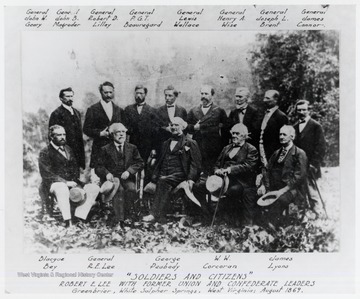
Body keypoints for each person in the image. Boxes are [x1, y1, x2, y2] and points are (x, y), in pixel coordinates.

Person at [192, 123, 259, 226]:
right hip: (221, 179)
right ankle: (207, 217)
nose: (234, 136)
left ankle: (227, 219)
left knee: (232, 191)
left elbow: (248, 166)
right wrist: (217, 170)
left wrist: (230, 169)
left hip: (240, 181)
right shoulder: (226, 148)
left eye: (237, 134)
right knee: (198, 187)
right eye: (233, 133)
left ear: (244, 136)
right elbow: (217, 164)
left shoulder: (251, 149)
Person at [142, 117, 202, 223]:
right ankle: (162, 216)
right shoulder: (166, 143)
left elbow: (195, 164)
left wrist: (191, 179)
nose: (173, 127)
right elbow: (160, 162)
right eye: (172, 125)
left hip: (180, 174)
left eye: (176, 125)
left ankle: (154, 214)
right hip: (165, 174)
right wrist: (154, 177)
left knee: (163, 180)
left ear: (183, 127)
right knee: (161, 180)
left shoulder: (190, 142)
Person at [38, 125, 100, 227]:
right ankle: (68, 221)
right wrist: (65, 182)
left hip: (71, 181)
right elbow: (47, 174)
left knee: (94, 188)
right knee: (62, 188)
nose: (63, 137)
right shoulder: (45, 152)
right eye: (59, 135)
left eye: (64, 134)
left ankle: (80, 217)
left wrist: (77, 183)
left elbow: (74, 169)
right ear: (51, 137)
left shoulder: (68, 149)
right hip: (52, 184)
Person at [95, 123, 144, 229]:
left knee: (131, 189)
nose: (121, 134)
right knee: (119, 190)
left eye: (123, 132)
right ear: (112, 134)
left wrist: (129, 171)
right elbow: (98, 167)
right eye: (118, 132)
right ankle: (119, 220)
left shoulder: (132, 148)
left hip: (127, 178)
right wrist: (107, 173)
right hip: (113, 179)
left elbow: (139, 163)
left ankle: (129, 216)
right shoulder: (105, 149)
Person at [257, 125, 308, 227]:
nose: (281, 137)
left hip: (292, 190)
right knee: (256, 196)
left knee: (280, 200)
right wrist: (263, 185)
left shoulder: (299, 154)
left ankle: (275, 228)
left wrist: (282, 191)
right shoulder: (276, 153)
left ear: (292, 137)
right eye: (280, 134)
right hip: (274, 188)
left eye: (284, 134)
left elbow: (299, 177)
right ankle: (262, 225)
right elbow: (267, 170)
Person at [293, 100, 326, 218]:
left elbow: (321, 147)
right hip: (298, 165)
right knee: (300, 190)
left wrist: (314, 164)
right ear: (296, 111)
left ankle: (319, 213)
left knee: (311, 190)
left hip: (310, 164)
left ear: (308, 110)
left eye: (304, 109)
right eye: (299, 110)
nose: (302, 112)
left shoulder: (316, 126)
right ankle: (303, 214)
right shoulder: (295, 127)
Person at [187, 85, 229, 175]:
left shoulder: (219, 111)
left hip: (214, 149)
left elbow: (226, 132)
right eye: (202, 93)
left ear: (212, 95)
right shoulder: (193, 111)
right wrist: (194, 128)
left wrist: (223, 150)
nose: (203, 96)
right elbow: (186, 127)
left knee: (212, 175)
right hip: (197, 147)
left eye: (206, 93)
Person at [83, 81, 125, 169]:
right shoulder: (93, 109)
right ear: (101, 92)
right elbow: (86, 129)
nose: (108, 95)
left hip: (115, 150)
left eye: (110, 92)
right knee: (98, 177)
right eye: (105, 92)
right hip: (99, 149)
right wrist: (100, 133)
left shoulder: (119, 110)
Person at [49, 87, 85, 169]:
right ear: (61, 98)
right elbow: (52, 136)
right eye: (67, 96)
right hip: (64, 153)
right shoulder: (56, 114)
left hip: (77, 153)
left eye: (71, 96)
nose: (70, 98)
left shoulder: (77, 113)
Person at [124, 85, 159, 162]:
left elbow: (155, 133)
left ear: (145, 94)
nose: (138, 95)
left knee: (145, 169)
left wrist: (154, 148)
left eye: (141, 93)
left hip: (147, 146)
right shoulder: (128, 109)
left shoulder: (152, 111)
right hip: (132, 145)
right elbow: (125, 128)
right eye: (137, 93)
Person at [259, 90, 288, 168]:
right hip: (261, 154)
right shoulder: (263, 114)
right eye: (264, 98)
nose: (264, 100)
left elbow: (284, 140)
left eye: (268, 98)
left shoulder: (281, 117)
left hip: (273, 155)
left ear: (275, 100)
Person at [156, 85, 187, 155]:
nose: (167, 98)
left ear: (176, 96)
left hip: (178, 145)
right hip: (162, 144)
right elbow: (154, 128)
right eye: (166, 95)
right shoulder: (158, 111)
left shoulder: (182, 110)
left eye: (170, 96)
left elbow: (185, 128)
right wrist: (165, 128)